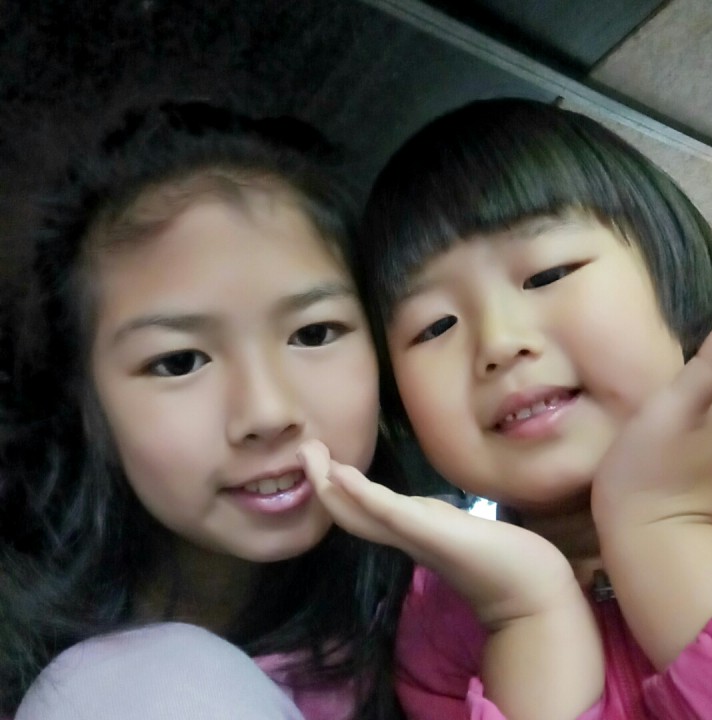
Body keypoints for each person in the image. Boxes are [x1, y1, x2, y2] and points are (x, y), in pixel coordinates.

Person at [298, 97, 712, 719]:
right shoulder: (441, 622)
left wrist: (662, 528)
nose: (498, 342)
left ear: (672, 273)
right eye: (434, 326)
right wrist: (528, 614)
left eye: (547, 275)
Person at [0, 99, 414, 720]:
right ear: (84, 404)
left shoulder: (436, 620)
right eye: (179, 362)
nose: (267, 413)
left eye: (314, 333)